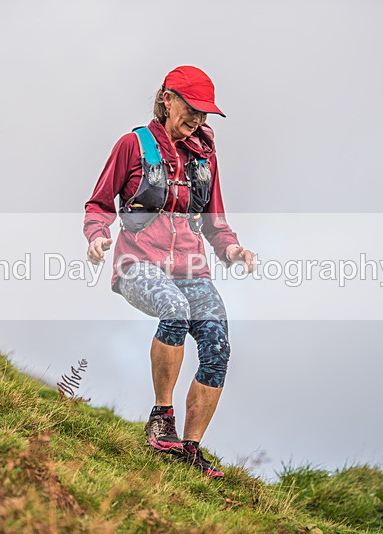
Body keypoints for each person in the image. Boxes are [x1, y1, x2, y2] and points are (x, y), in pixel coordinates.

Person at [83, 66, 255, 478]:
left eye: (205, 114)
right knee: (174, 309)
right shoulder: (133, 145)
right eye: (191, 109)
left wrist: (232, 249)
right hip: (137, 263)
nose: (197, 120)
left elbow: (215, 223)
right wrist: (96, 236)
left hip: (192, 268)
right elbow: (99, 204)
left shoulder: (205, 158)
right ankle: (162, 418)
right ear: (167, 100)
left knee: (218, 345)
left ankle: (190, 450)